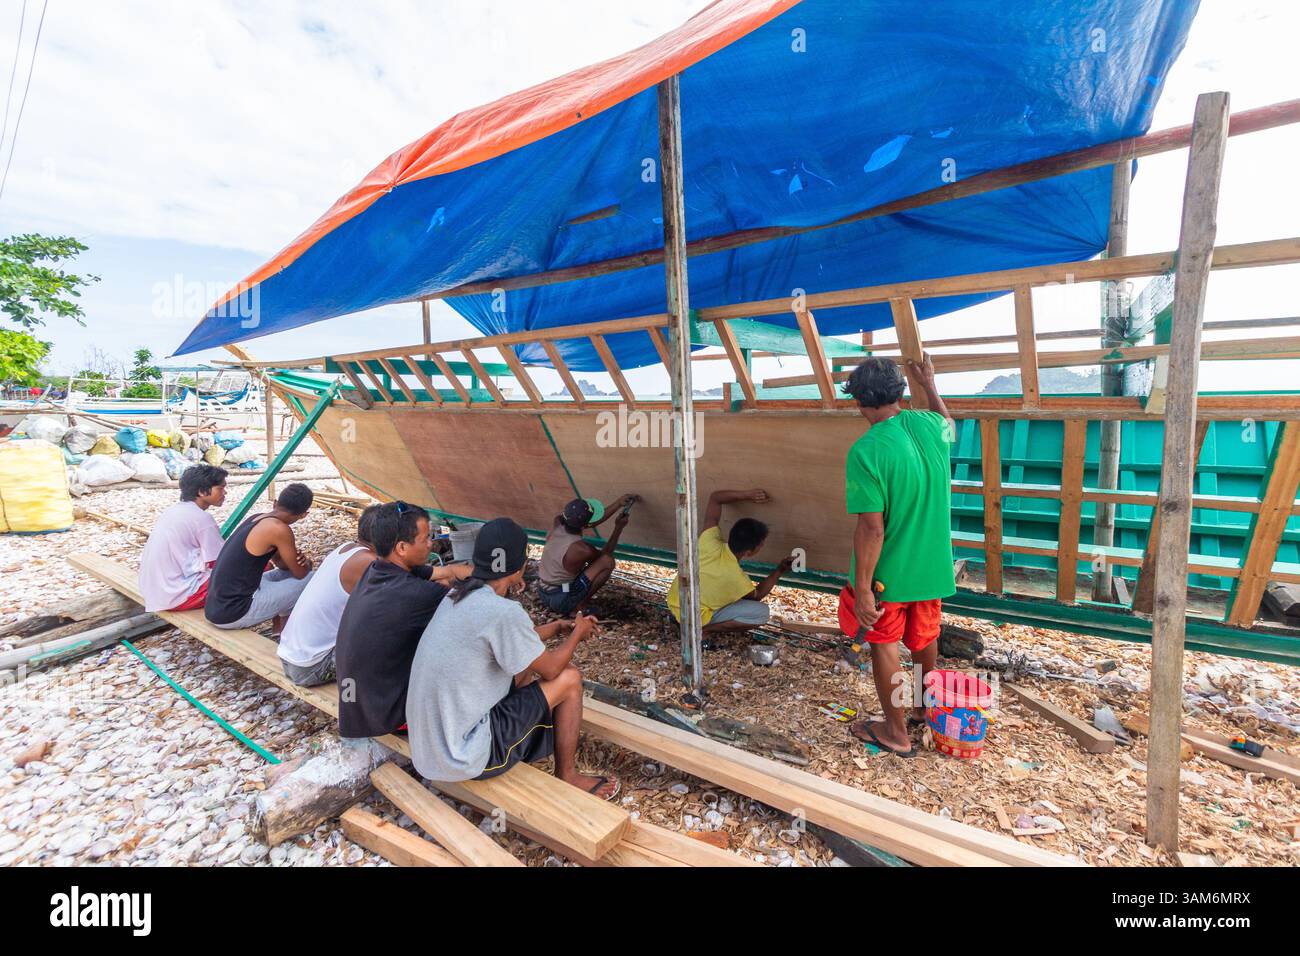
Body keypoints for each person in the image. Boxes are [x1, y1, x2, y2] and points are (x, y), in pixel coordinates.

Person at [407, 517, 620, 799]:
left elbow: (517, 641)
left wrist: (557, 627)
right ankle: (568, 775)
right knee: (570, 679)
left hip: (429, 748)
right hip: (465, 756)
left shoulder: (457, 597)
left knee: (521, 669)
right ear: (520, 566)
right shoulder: (503, 612)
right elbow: (552, 669)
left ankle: (528, 744)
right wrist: (577, 634)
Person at [839, 354, 956, 757]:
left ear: (860, 402)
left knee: (884, 644)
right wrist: (931, 385)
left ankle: (895, 732)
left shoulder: (866, 450)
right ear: (900, 392)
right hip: (933, 566)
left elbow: (872, 529)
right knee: (925, 641)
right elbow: (948, 424)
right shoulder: (929, 425)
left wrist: (864, 588)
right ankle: (924, 709)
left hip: (890, 574)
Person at [334, 502, 470, 738]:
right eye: (426, 538)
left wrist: (460, 573)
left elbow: (445, 573)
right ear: (402, 548)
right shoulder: (417, 594)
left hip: (359, 706)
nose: (432, 544)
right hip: (386, 717)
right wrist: (496, 581)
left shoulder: (377, 569)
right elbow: (477, 614)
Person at [276, 504, 382, 687]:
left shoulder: (347, 548)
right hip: (310, 668)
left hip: (290, 656)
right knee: (387, 633)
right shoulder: (368, 562)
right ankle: (363, 702)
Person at [666, 488, 794, 636]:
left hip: (676, 603)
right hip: (694, 617)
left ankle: (683, 621)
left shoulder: (708, 541)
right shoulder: (735, 577)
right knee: (761, 613)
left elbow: (715, 498)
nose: (762, 546)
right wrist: (779, 570)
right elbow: (757, 596)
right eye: (761, 544)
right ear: (749, 552)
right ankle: (702, 631)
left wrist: (747, 494)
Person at [204, 483, 315, 631]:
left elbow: (282, 565)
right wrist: (306, 562)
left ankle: (279, 630)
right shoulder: (279, 529)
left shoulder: (256, 518)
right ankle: (289, 634)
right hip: (234, 612)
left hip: (215, 606)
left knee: (286, 575)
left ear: (275, 503)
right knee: (313, 578)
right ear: (303, 515)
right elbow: (301, 573)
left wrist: (296, 562)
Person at [138, 464, 228, 612]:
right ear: (202, 491)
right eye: (220, 488)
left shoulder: (173, 511)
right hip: (179, 596)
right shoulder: (202, 519)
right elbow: (220, 561)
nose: (225, 492)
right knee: (246, 572)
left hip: (155, 592)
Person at [535, 494, 637, 614]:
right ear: (586, 526)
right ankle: (579, 606)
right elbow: (605, 557)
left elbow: (590, 523)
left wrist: (618, 504)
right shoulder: (582, 549)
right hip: (562, 600)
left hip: (543, 591)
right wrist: (618, 527)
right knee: (608, 562)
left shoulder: (557, 522)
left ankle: (575, 603)